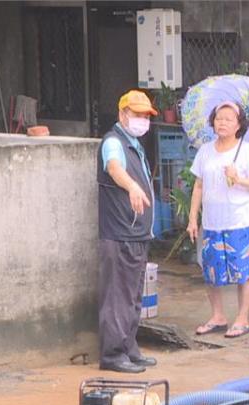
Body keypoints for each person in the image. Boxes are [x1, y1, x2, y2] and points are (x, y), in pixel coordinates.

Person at [187, 101, 249, 338]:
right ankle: (218, 316)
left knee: (243, 272)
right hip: (213, 222)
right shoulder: (205, 151)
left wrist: (239, 178)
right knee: (211, 271)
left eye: (228, 119)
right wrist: (193, 217)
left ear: (238, 125)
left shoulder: (248, 151)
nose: (222, 122)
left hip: (241, 222)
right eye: (218, 118)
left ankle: (242, 319)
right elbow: (199, 185)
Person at [96, 90, 160, 373]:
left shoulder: (134, 143)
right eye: (137, 114)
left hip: (136, 232)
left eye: (146, 115)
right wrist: (133, 186)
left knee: (133, 296)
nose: (142, 120)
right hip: (120, 232)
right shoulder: (114, 142)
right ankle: (112, 356)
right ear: (122, 114)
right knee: (117, 297)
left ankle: (129, 348)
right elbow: (113, 168)